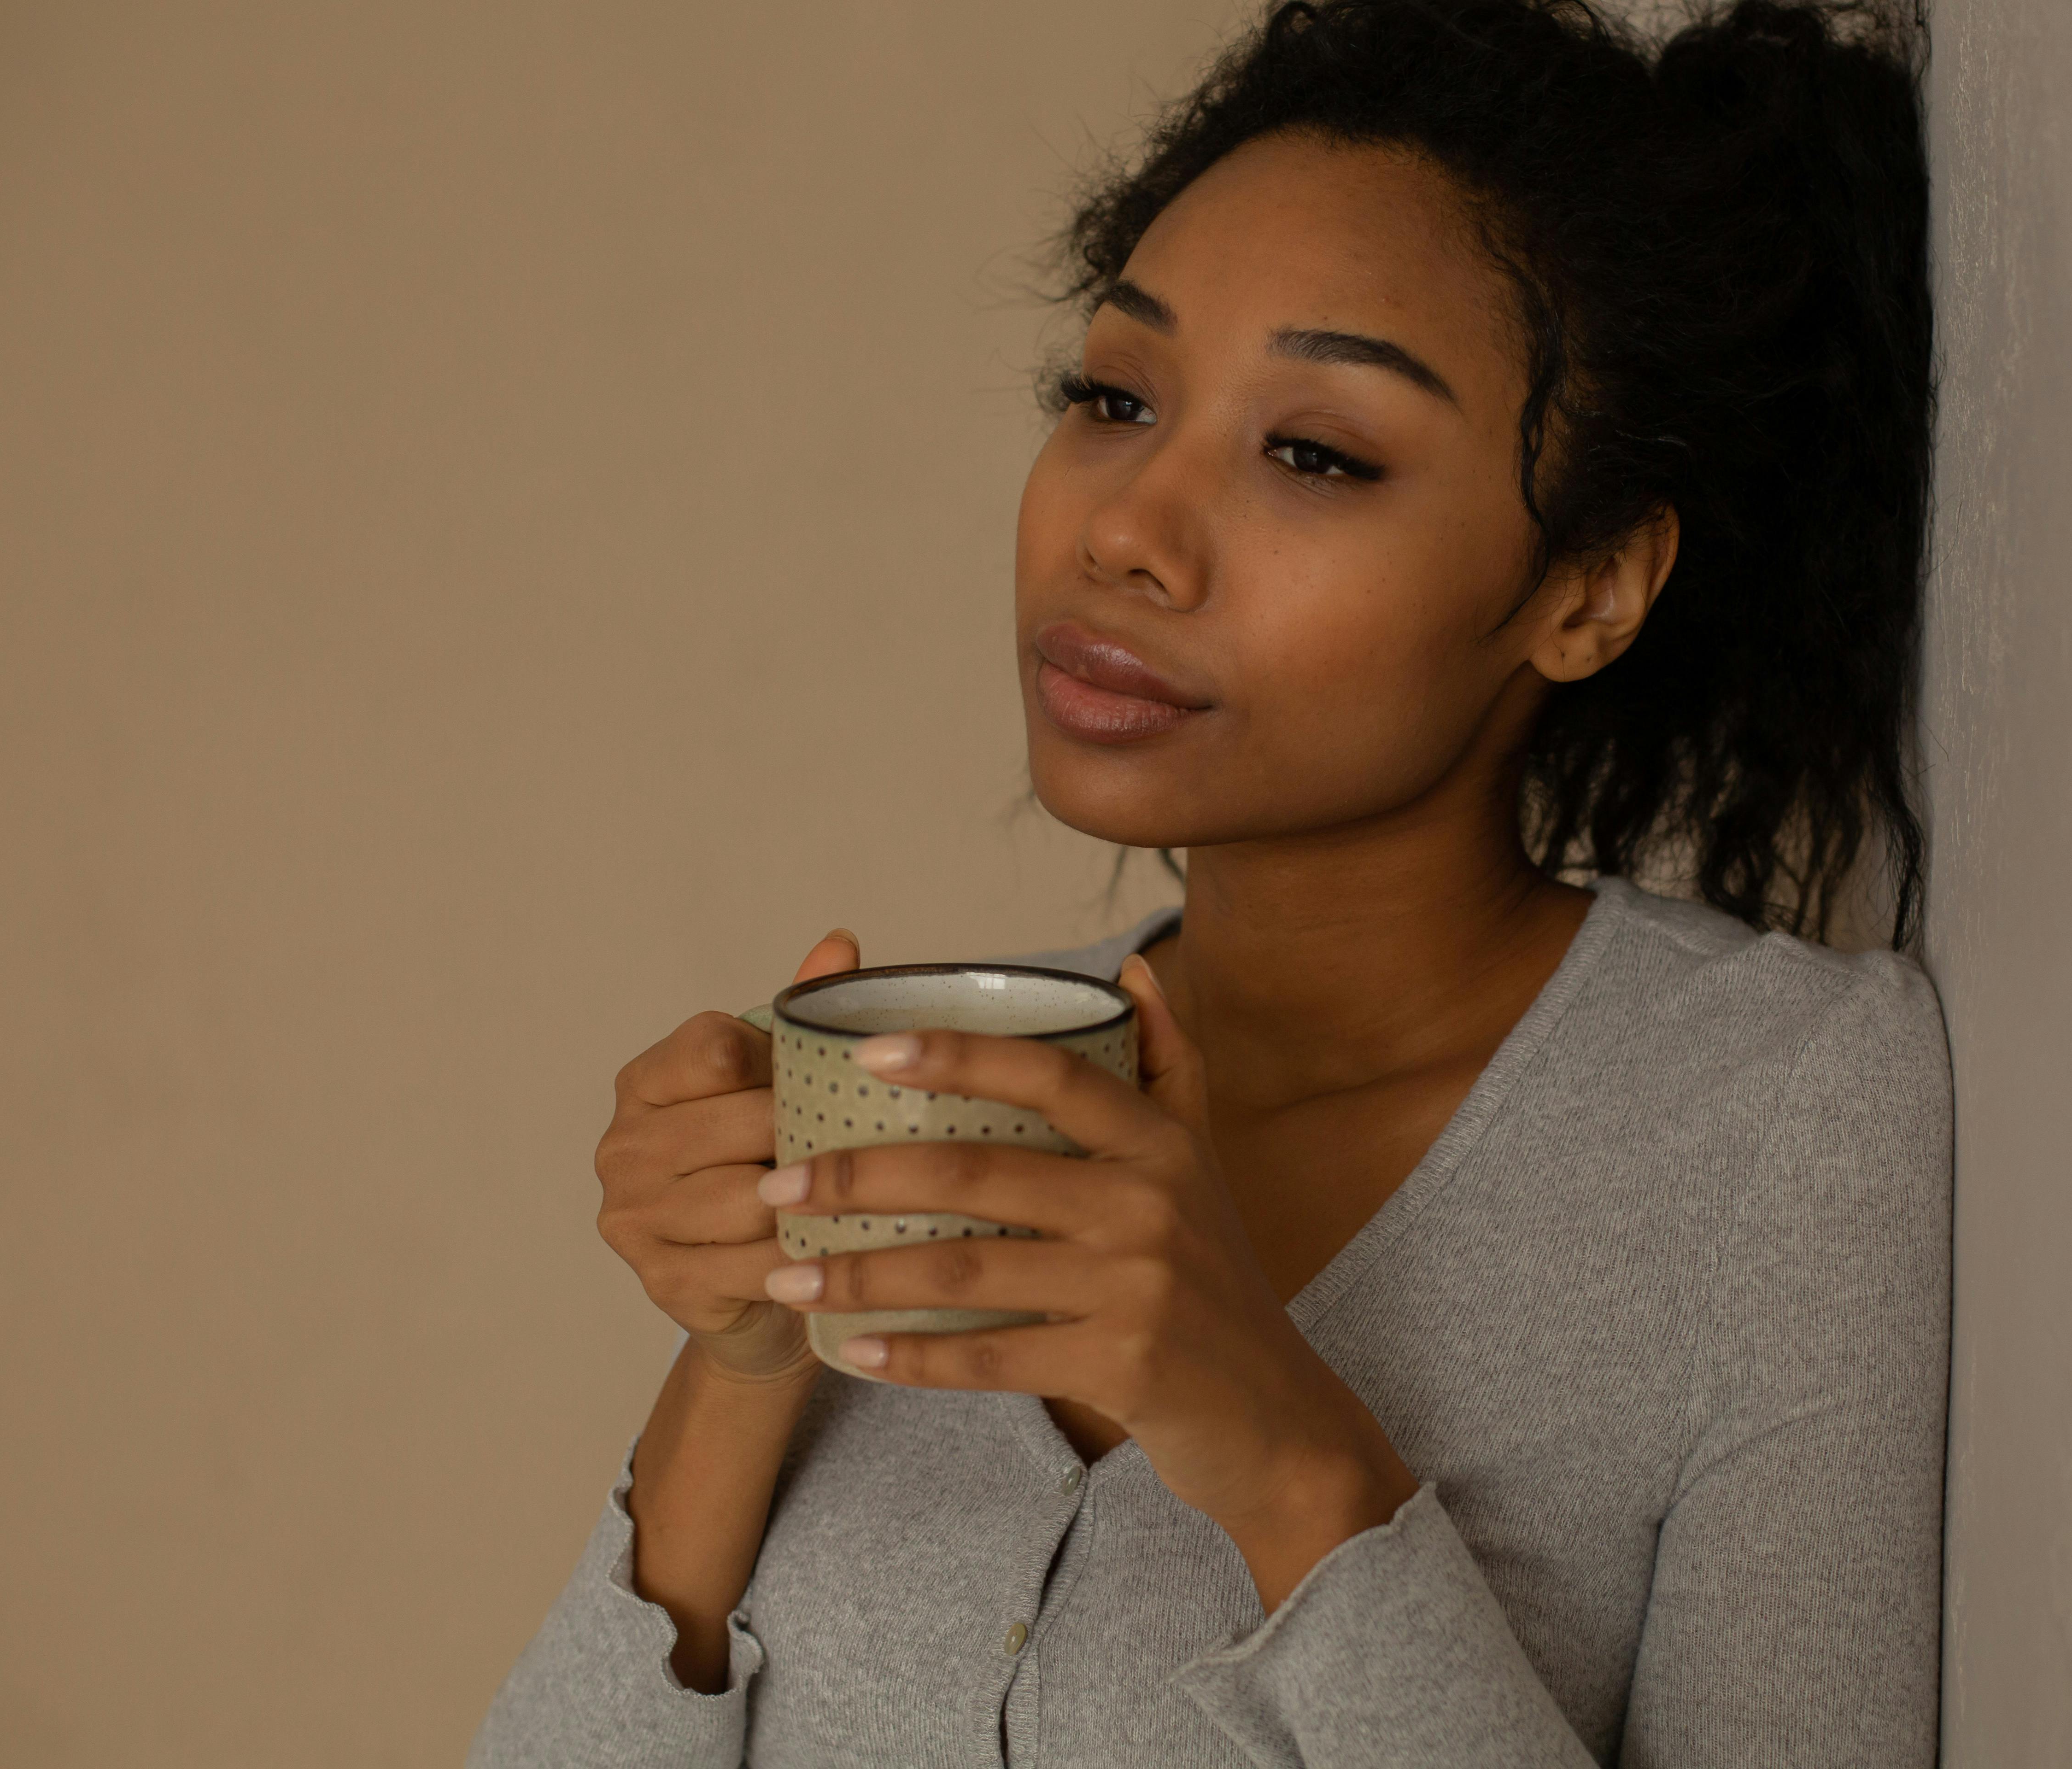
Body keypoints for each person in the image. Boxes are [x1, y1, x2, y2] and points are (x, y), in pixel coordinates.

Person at [472, 1, 1949, 1762]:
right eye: (1113, 395)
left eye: (1315, 454)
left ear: (1591, 589)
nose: (1124, 530)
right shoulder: (955, 1097)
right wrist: (740, 1352)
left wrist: (1274, 1436)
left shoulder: (1782, 1122)